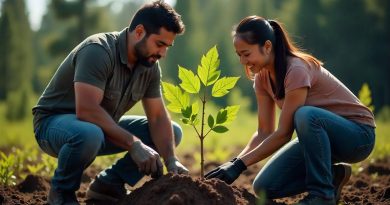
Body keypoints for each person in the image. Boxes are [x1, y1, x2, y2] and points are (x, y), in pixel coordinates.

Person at [205, 16, 375, 205]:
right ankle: (333, 176)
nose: (243, 61)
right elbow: (264, 132)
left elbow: (284, 133)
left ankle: (322, 195)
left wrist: (240, 166)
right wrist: (235, 162)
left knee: (305, 115)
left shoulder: (296, 70)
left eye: (246, 53)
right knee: (264, 187)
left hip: (358, 136)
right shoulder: (262, 78)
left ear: (267, 46)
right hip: (321, 138)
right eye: (239, 55)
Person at [32, 1, 188, 204]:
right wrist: (133, 144)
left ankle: (108, 184)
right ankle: (61, 193)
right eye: (160, 44)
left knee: (172, 132)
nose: (163, 53)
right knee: (89, 133)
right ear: (139, 32)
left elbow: (158, 117)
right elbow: (87, 110)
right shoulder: (99, 50)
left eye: (167, 46)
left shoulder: (149, 65)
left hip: (99, 129)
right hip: (53, 125)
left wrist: (171, 160)